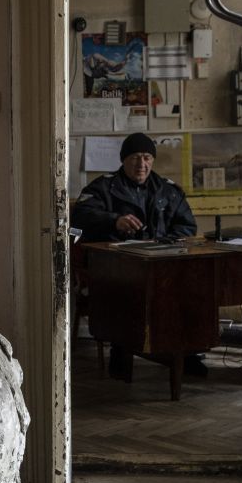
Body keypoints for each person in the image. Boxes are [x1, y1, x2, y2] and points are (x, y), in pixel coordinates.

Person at [71, 132, 203, 381]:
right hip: (118, 266)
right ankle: (122, 350)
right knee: (128, 292)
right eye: (134, 158)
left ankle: (186, 352)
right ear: (123, 160)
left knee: (190, 288)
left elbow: (187, 227)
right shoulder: (103, 187)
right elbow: (77, 221)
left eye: (146, 158)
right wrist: (115, 221)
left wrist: (164, 242)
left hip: (161, 263)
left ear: (152, 160)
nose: (141, 164)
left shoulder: (169, 190)